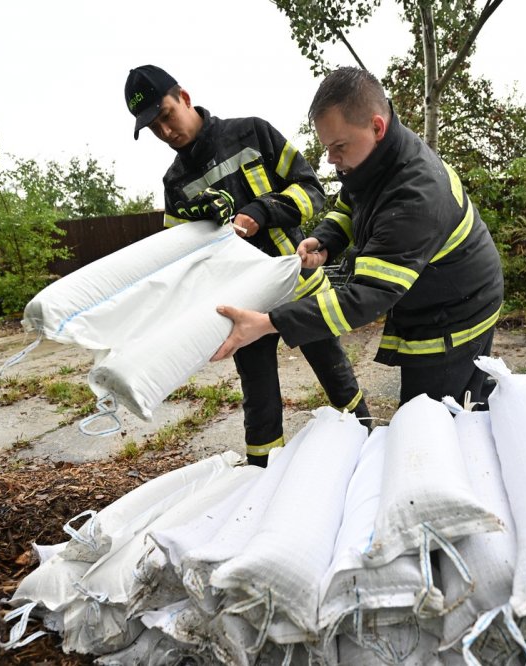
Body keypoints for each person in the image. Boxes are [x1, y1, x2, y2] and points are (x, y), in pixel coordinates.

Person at [211, 67, 504, 408]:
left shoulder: (415, 195)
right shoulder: (377, 156)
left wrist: (269, 322)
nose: (332, 160)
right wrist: (327, 239)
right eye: (326, 147)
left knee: (434, 418)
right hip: (435, 296)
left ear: (376, 126)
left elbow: (366, 297)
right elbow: (352, 201)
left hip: (456, 316)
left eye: (338, 146)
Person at [124, 64, 370, 467]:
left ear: (184, 97)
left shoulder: (252, 133)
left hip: (300, 288)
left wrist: (264, 210)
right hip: (243, 306)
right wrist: (203, 229)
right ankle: (262, 480)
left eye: (166, 115)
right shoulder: (175, 184)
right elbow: (182, 260)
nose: (165, 131)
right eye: (153, 127)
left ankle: (367, 441)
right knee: (259, 401)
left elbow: (312, 189)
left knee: (337, 376)